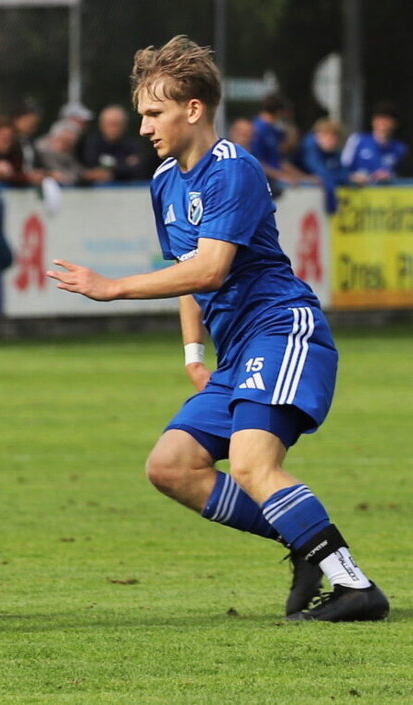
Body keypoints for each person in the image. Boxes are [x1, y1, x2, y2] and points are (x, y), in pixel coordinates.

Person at [45, 35, 388, 622]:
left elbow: (211, 268)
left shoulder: (233, 170)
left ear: (194, 109)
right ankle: (306, 544)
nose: (145, 126)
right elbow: (185, 275)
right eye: (142, 115)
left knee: (254, 465)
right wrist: (192, 353)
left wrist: (112, 287)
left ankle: (355, 587)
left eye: (154, 113)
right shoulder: (164, 181)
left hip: (282, 330)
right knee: (171, 467)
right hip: (236, 354)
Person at [250, 93, 316, 187]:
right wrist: (282, 176)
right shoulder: (258, 130)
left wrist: (303, 177)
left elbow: (280, 160)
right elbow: (258, 162)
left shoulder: (273, 130)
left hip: (276, 176)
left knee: (311, 184)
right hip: (266, 180)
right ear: (280, 112)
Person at [342, 101, 408, 185]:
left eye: (387, 120)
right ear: (373, 121)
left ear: (395, 124)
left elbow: (403, 176)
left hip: (386, 194)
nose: (383, 124)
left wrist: (390, 176)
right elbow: (341, 168)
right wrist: (353, 177)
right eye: (380, 119)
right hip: (358, 192)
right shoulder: (357, 140)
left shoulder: (400, 148)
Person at [81, 104, 148, 182]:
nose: (112, 128)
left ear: (124, 126)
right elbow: (88, 170)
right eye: (109, 124)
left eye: (116, 124)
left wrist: (113, 171)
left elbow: (138, 169)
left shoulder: (131, 146)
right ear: (101, 125)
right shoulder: (91, 144)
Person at [0, 118, 40, 186]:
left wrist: (30, 177)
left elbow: (17, 173)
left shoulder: (14, 154)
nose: (6, 142)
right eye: (3, 137)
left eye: (9, 138)